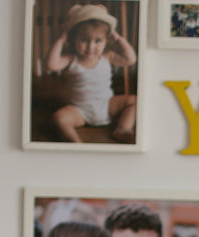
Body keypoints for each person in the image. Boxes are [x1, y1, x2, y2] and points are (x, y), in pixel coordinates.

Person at [44, 4, 138, 144]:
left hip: (106, 105)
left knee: (135, 101)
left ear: (106, 40)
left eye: (98, 41)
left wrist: (118, 38)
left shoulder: (107, 56)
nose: (91, 47)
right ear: (73, 39)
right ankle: (75, 141)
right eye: (84, 40)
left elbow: (131, 59)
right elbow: (51, 64)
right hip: (80, 110)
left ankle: (123, 128)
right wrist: (61, 39)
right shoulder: (71, 59)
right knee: (58, 118)